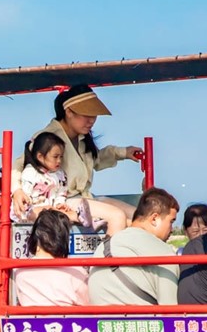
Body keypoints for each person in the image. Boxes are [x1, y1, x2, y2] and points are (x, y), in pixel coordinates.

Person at [10, 85, 142, 232]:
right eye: (87, 115)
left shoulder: (82, 139)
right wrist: (17, 191)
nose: (91, 121)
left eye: (94, 115)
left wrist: (124, 152)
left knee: (138, 217)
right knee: (116, 216)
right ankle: (109, 248)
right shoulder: (48, 137)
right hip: (64, 202)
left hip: (86, 198)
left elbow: (95, 160)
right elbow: (18, 164)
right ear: (68, 112)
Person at [88, 188, 179, 306]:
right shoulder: (164, 253)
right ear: (154, 218)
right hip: (143, 317)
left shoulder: (105, 246)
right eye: (171, 221)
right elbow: (170, 308)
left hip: (99, 317)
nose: (172, 229)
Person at [13, 210, 89, 307]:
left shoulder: (20, 270)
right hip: (65, 317)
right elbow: (89, 305)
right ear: (63, 239)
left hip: (30, 317)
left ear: (36, 237)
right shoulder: (76, 272)